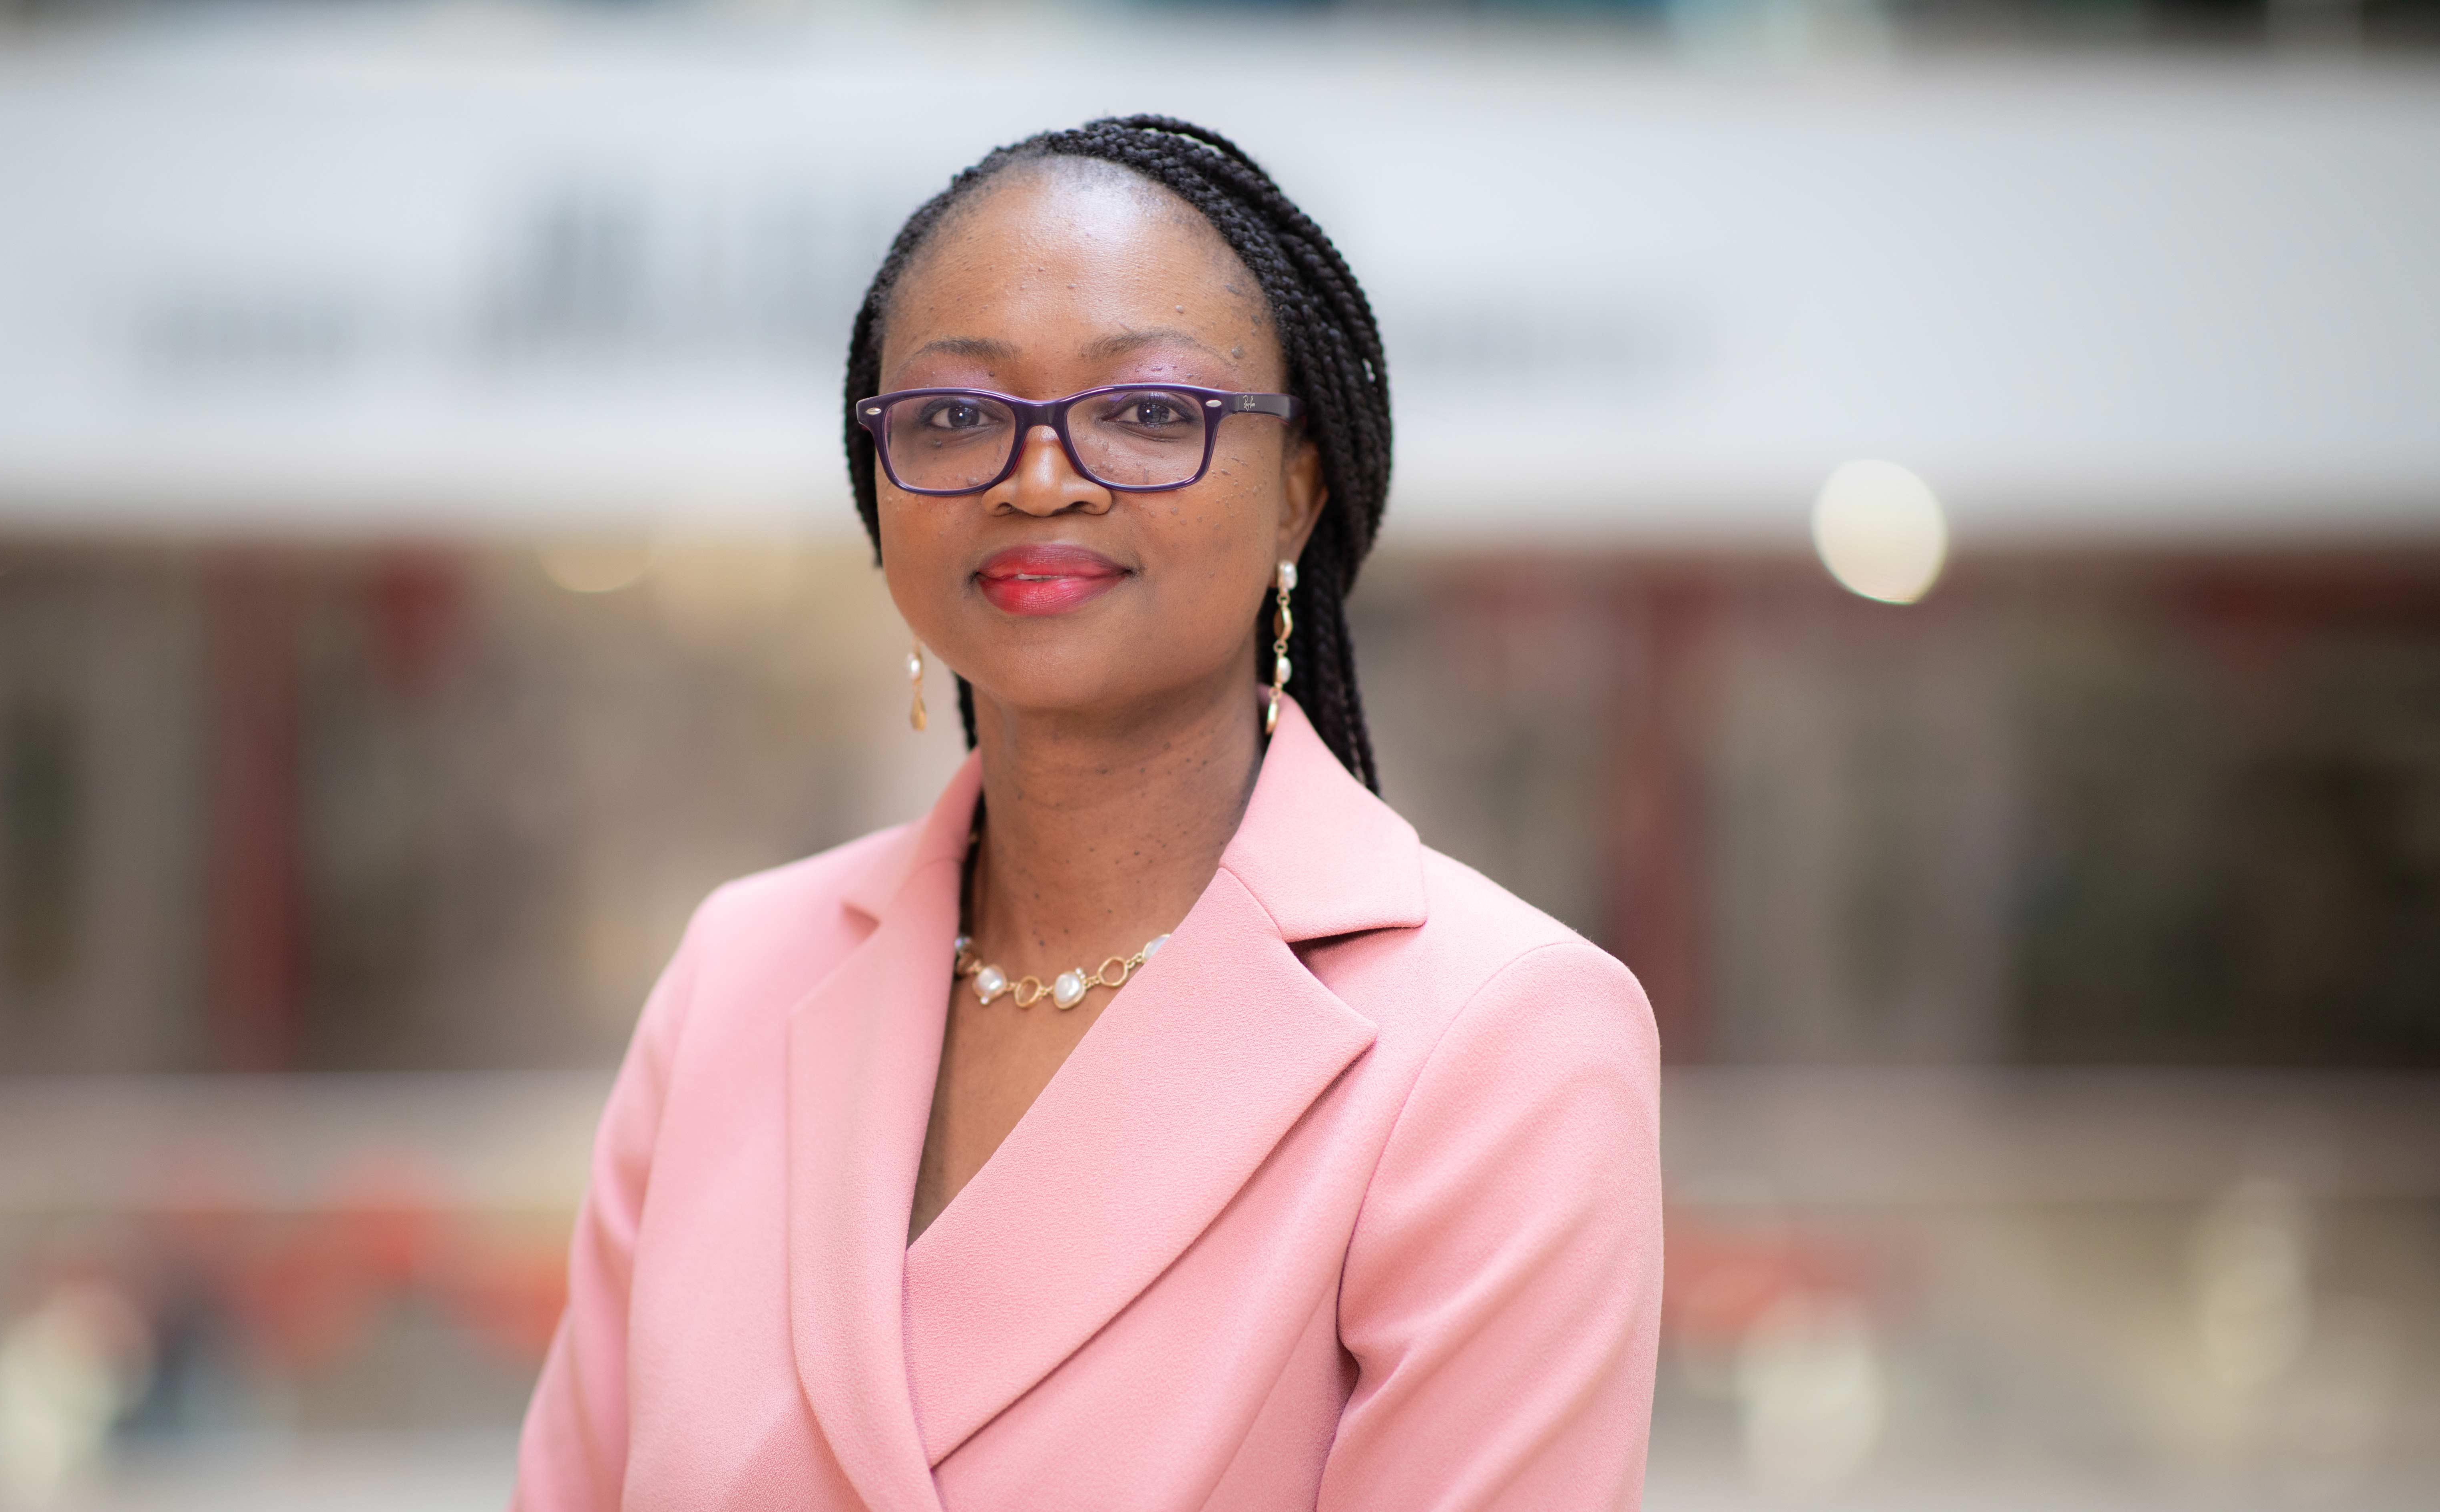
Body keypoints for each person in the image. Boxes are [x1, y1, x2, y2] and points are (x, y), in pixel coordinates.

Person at [513, 116, 1661, 1512]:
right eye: (952, 416)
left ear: (1300, 486)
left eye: (1147, 412)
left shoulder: (1503, 1036)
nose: (1038, 475)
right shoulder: (736, 973)